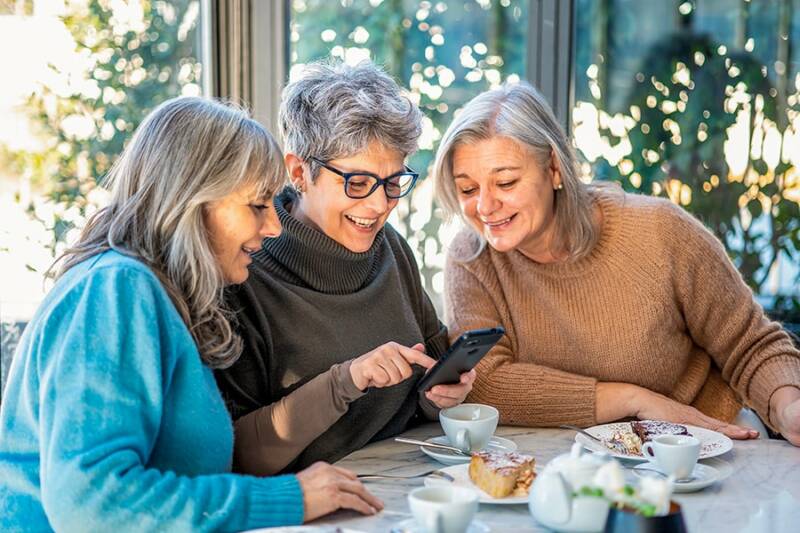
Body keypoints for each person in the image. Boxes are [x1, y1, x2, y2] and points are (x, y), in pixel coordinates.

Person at [0, 97, 383, 532]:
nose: (274, 226)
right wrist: (288, 498)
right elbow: (92, 503)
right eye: (258, 206)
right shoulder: (114, 290)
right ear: (193, 202)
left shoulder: (163, 298)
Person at [432, 81, 800, 446]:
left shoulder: (660, 233)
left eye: (506, 182)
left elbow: (750, 344)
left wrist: (789, 408)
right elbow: (484, 380)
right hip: (559, 459)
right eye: (468, 189)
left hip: (700, 445)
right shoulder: (472, 256)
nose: (484, 207)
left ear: (555, 169)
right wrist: (633, 399)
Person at [214, 60, 475, 476]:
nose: (378, 206)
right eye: (357, 183)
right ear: (300, 171)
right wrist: (347, 380)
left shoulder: (390, 247)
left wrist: (440, 393)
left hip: (407, 483)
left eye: (393, 183)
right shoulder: (243, 273)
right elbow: (237, 455)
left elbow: (424, 389)